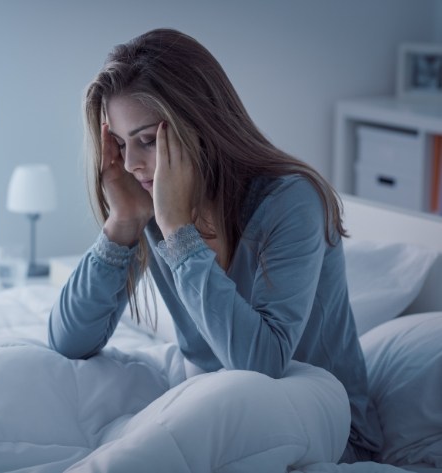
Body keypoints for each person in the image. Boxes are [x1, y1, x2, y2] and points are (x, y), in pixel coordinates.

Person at [48, 28, 382, 464]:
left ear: (200, 125)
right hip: (218, 413)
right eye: (122, 144)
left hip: (329, 427)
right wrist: (123, 221)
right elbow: (68, 341)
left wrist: (178, 231)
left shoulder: (291, 202)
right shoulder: (149, 203)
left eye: (148, 140)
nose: (131, 164)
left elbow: (261, 366)